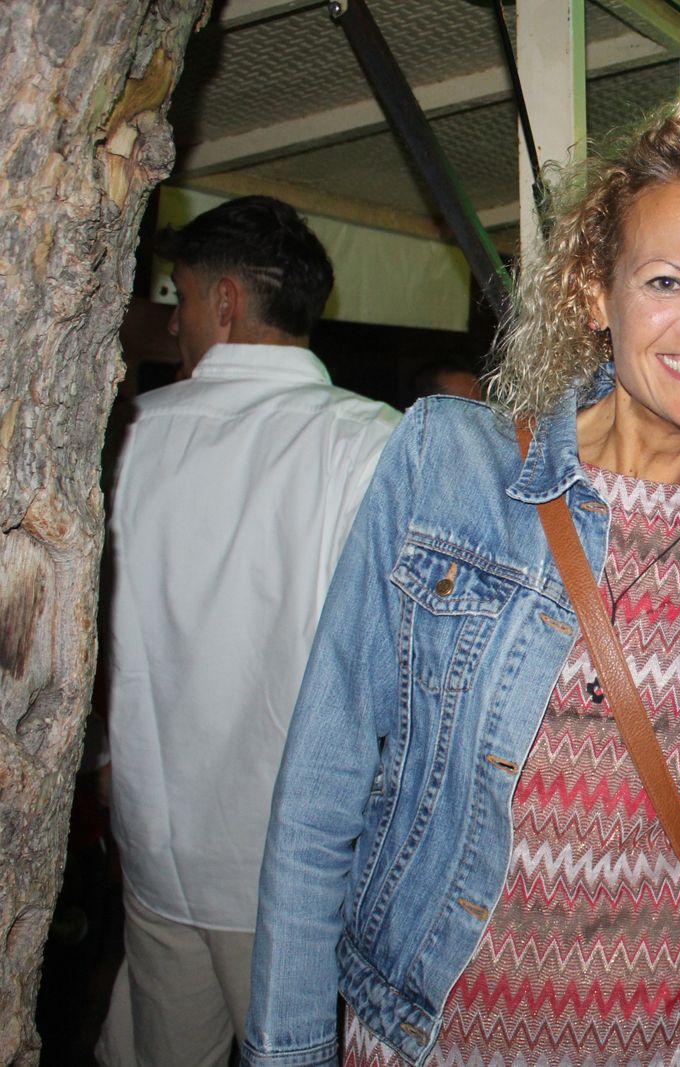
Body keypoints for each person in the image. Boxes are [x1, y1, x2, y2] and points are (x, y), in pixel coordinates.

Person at [242, 88, 680, 1067]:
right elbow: (325, 782)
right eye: (668, 280)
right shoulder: (446, 466)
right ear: (597, 291)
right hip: (430, 1036)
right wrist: (286, 1049)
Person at [103, 194, 400, 1067]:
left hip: (158, 848)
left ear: (225, 302)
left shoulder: (128, 443)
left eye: (183, 299)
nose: (177, 320)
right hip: (300, 871)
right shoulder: (369, 444)